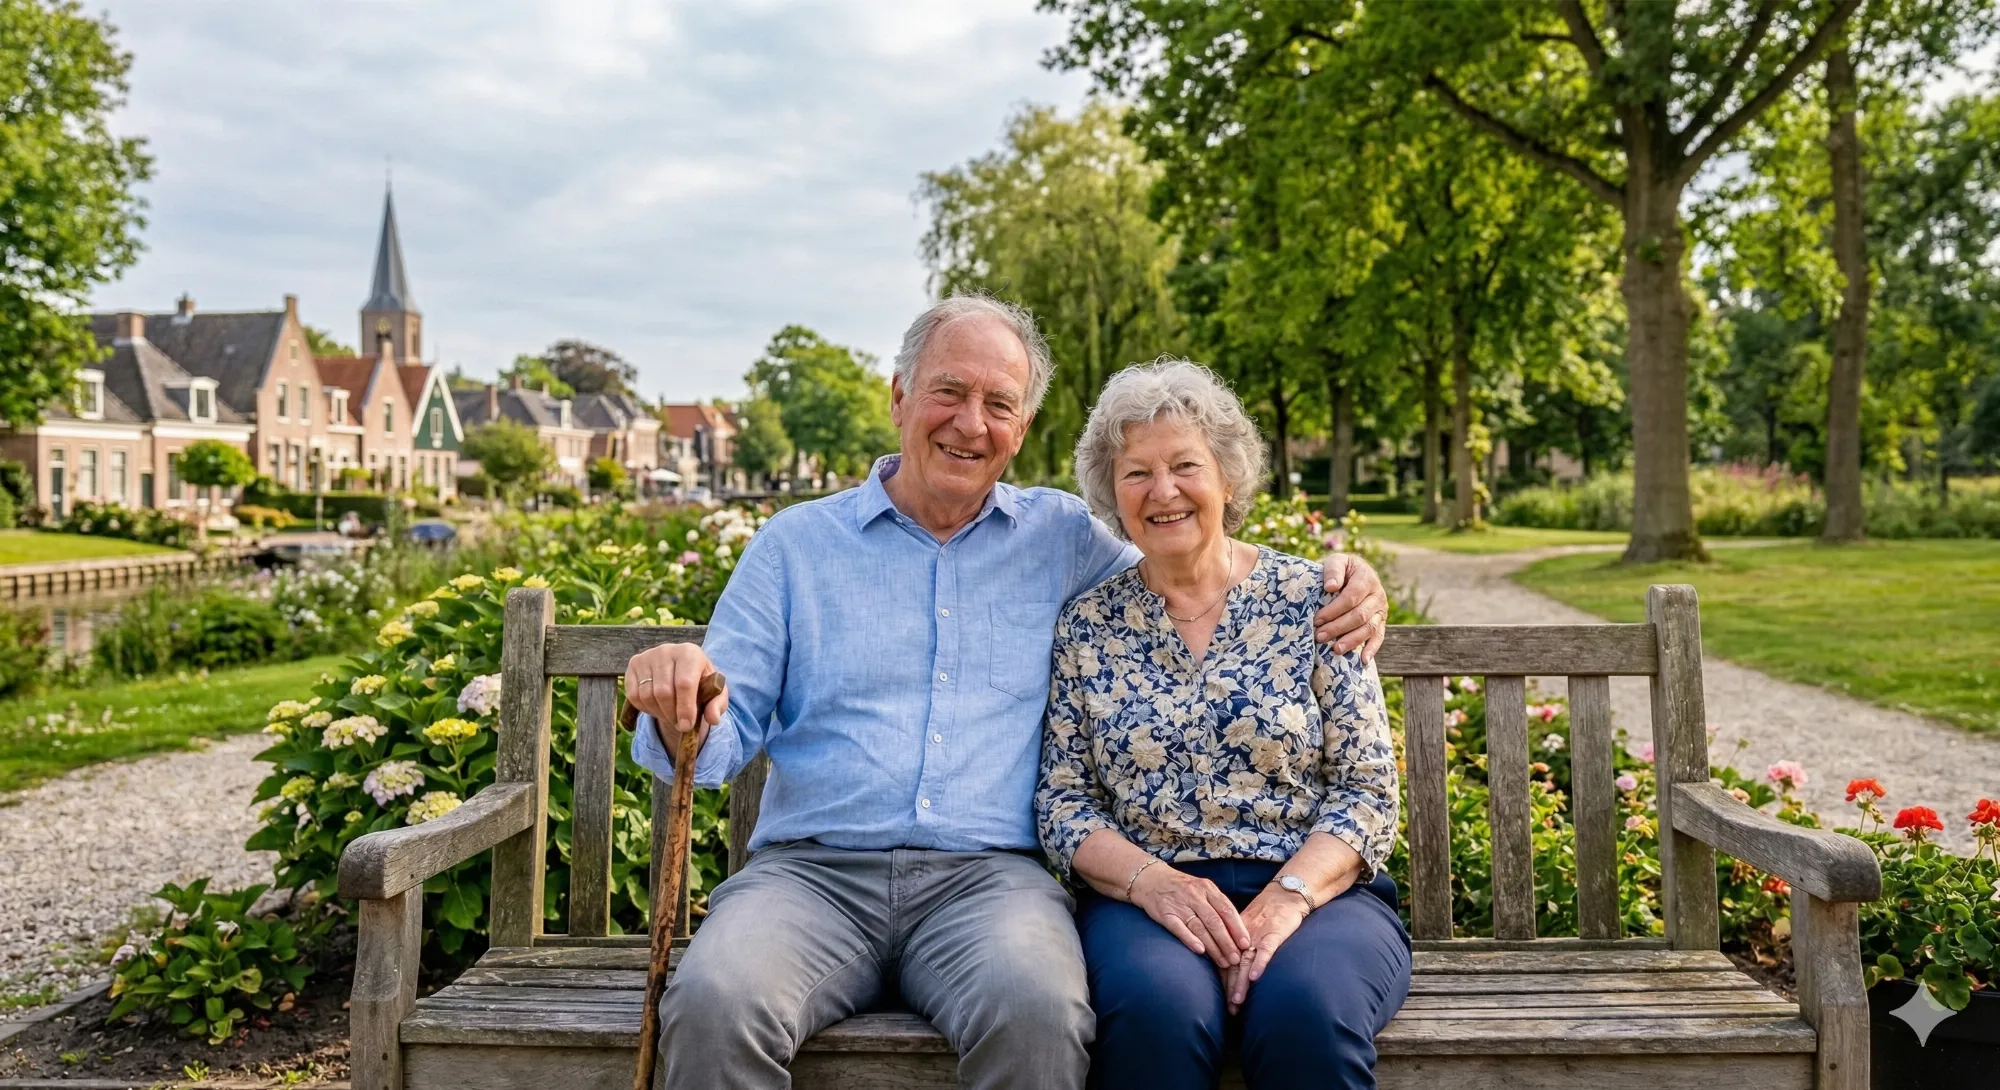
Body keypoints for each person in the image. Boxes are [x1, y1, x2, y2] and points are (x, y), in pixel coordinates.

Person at [622, 296, 1391, 1090]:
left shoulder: (1060, 540)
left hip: (988, 885)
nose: (971, 423)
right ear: (899, 397)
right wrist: (679, 694)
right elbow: (715, 739)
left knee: (1040, 1012)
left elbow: (1190, 562)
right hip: (811, 878)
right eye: (949, 392)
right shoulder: (794, 547)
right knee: (713, 1003)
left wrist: (1343, 583)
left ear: (1020, 430)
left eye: (999, 405)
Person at [1036, 359, 1411, 1090]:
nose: (1163, 491)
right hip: (1146, 902)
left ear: (1228, 478)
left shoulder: (1314, 600)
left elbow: (1366, 790)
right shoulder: (1088, 625)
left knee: (1304, 1011)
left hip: (1319, 894)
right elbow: (1062, 800)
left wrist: (1286, 899)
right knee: (1156, 1015)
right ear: (1113, 495)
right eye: (1137, 472)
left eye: (1185, 465)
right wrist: (1152, 882)